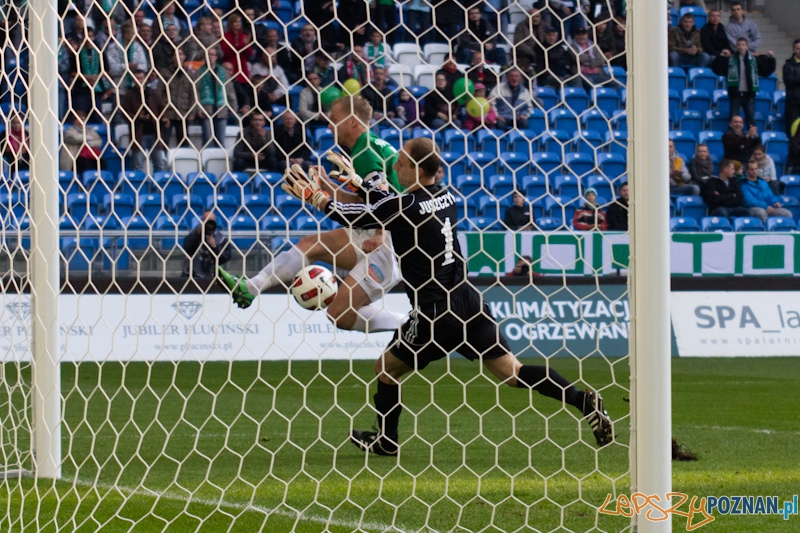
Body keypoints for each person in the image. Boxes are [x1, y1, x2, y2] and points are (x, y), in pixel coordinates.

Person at [279, 137, 613, 456]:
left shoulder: (405, 207)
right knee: (512, 372)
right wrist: (359, 183)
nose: (395, 164)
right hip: (468, 301)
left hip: (435, 313)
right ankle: (582, 401)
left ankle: (387, 441)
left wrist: (317, 197)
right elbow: (394, 202)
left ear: (416, 170)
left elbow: (363, 216)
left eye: (402, 161)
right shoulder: (446, 195)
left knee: (387, 368)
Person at [219, 95, 406, 334]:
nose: (329, 125)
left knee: (339, 314)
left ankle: (413, 325)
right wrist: (327, 186)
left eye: (334, 119)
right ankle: (250, 287)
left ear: (352, 121)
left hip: (388, 242)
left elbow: (383, 196)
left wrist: (380, 235)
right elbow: (365, 199)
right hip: (375, 231)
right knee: (311, 244)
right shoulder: (370, 146)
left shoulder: (365, 151)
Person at [711, 38, 775, 128]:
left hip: (749, 95)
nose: (741, 47)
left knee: (751, 121)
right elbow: (717, 70)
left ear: (747, 46)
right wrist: (721, 57)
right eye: (739, 45)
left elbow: (766, 72)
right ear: (736, 47)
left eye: (743, 45)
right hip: (735, 95)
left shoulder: (754, 60)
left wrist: (771, 59)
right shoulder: (730, 60)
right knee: (733, 121)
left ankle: (752, 140)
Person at [122, 70, 169, 172]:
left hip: (155, 133)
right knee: (138, 164)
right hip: (139, 134)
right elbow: (125, 113)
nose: (139, 80)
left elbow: (163, 107)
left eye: (141, 78)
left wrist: (164, 118)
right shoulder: (129, 95)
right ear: (133, 80)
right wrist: (138, 117)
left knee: (159, 164)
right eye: (137, 78)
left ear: (146, 79)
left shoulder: (153, 93)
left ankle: (158, 186)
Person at [740, 160, 792, 224]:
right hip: (753, 208)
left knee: (787, 213)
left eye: (756, 169)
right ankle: (766, 232)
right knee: (761, 212)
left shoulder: (763, 182)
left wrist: (775, 202)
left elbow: (770, 195)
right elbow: (749, 201)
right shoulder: (743, 184)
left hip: (768, 206)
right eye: (751, 169)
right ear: (747, 171)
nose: (754, 171)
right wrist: (765, 207)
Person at [183, 211, 231, 280]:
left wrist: (214, 247)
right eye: (206, 221)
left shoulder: (221, 239)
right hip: (192, 276)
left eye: (211, 222)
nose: (208, 225)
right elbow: (186, 247)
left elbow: (225, 258)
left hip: (212, 277)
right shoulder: (193, 234)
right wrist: (198, 234)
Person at [783, 40, 800, 139]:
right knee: (791, 131)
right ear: (793, 50)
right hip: (793, 102)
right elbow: (788, 81)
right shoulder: (788, 65)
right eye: (797, 48)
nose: (799, 51)